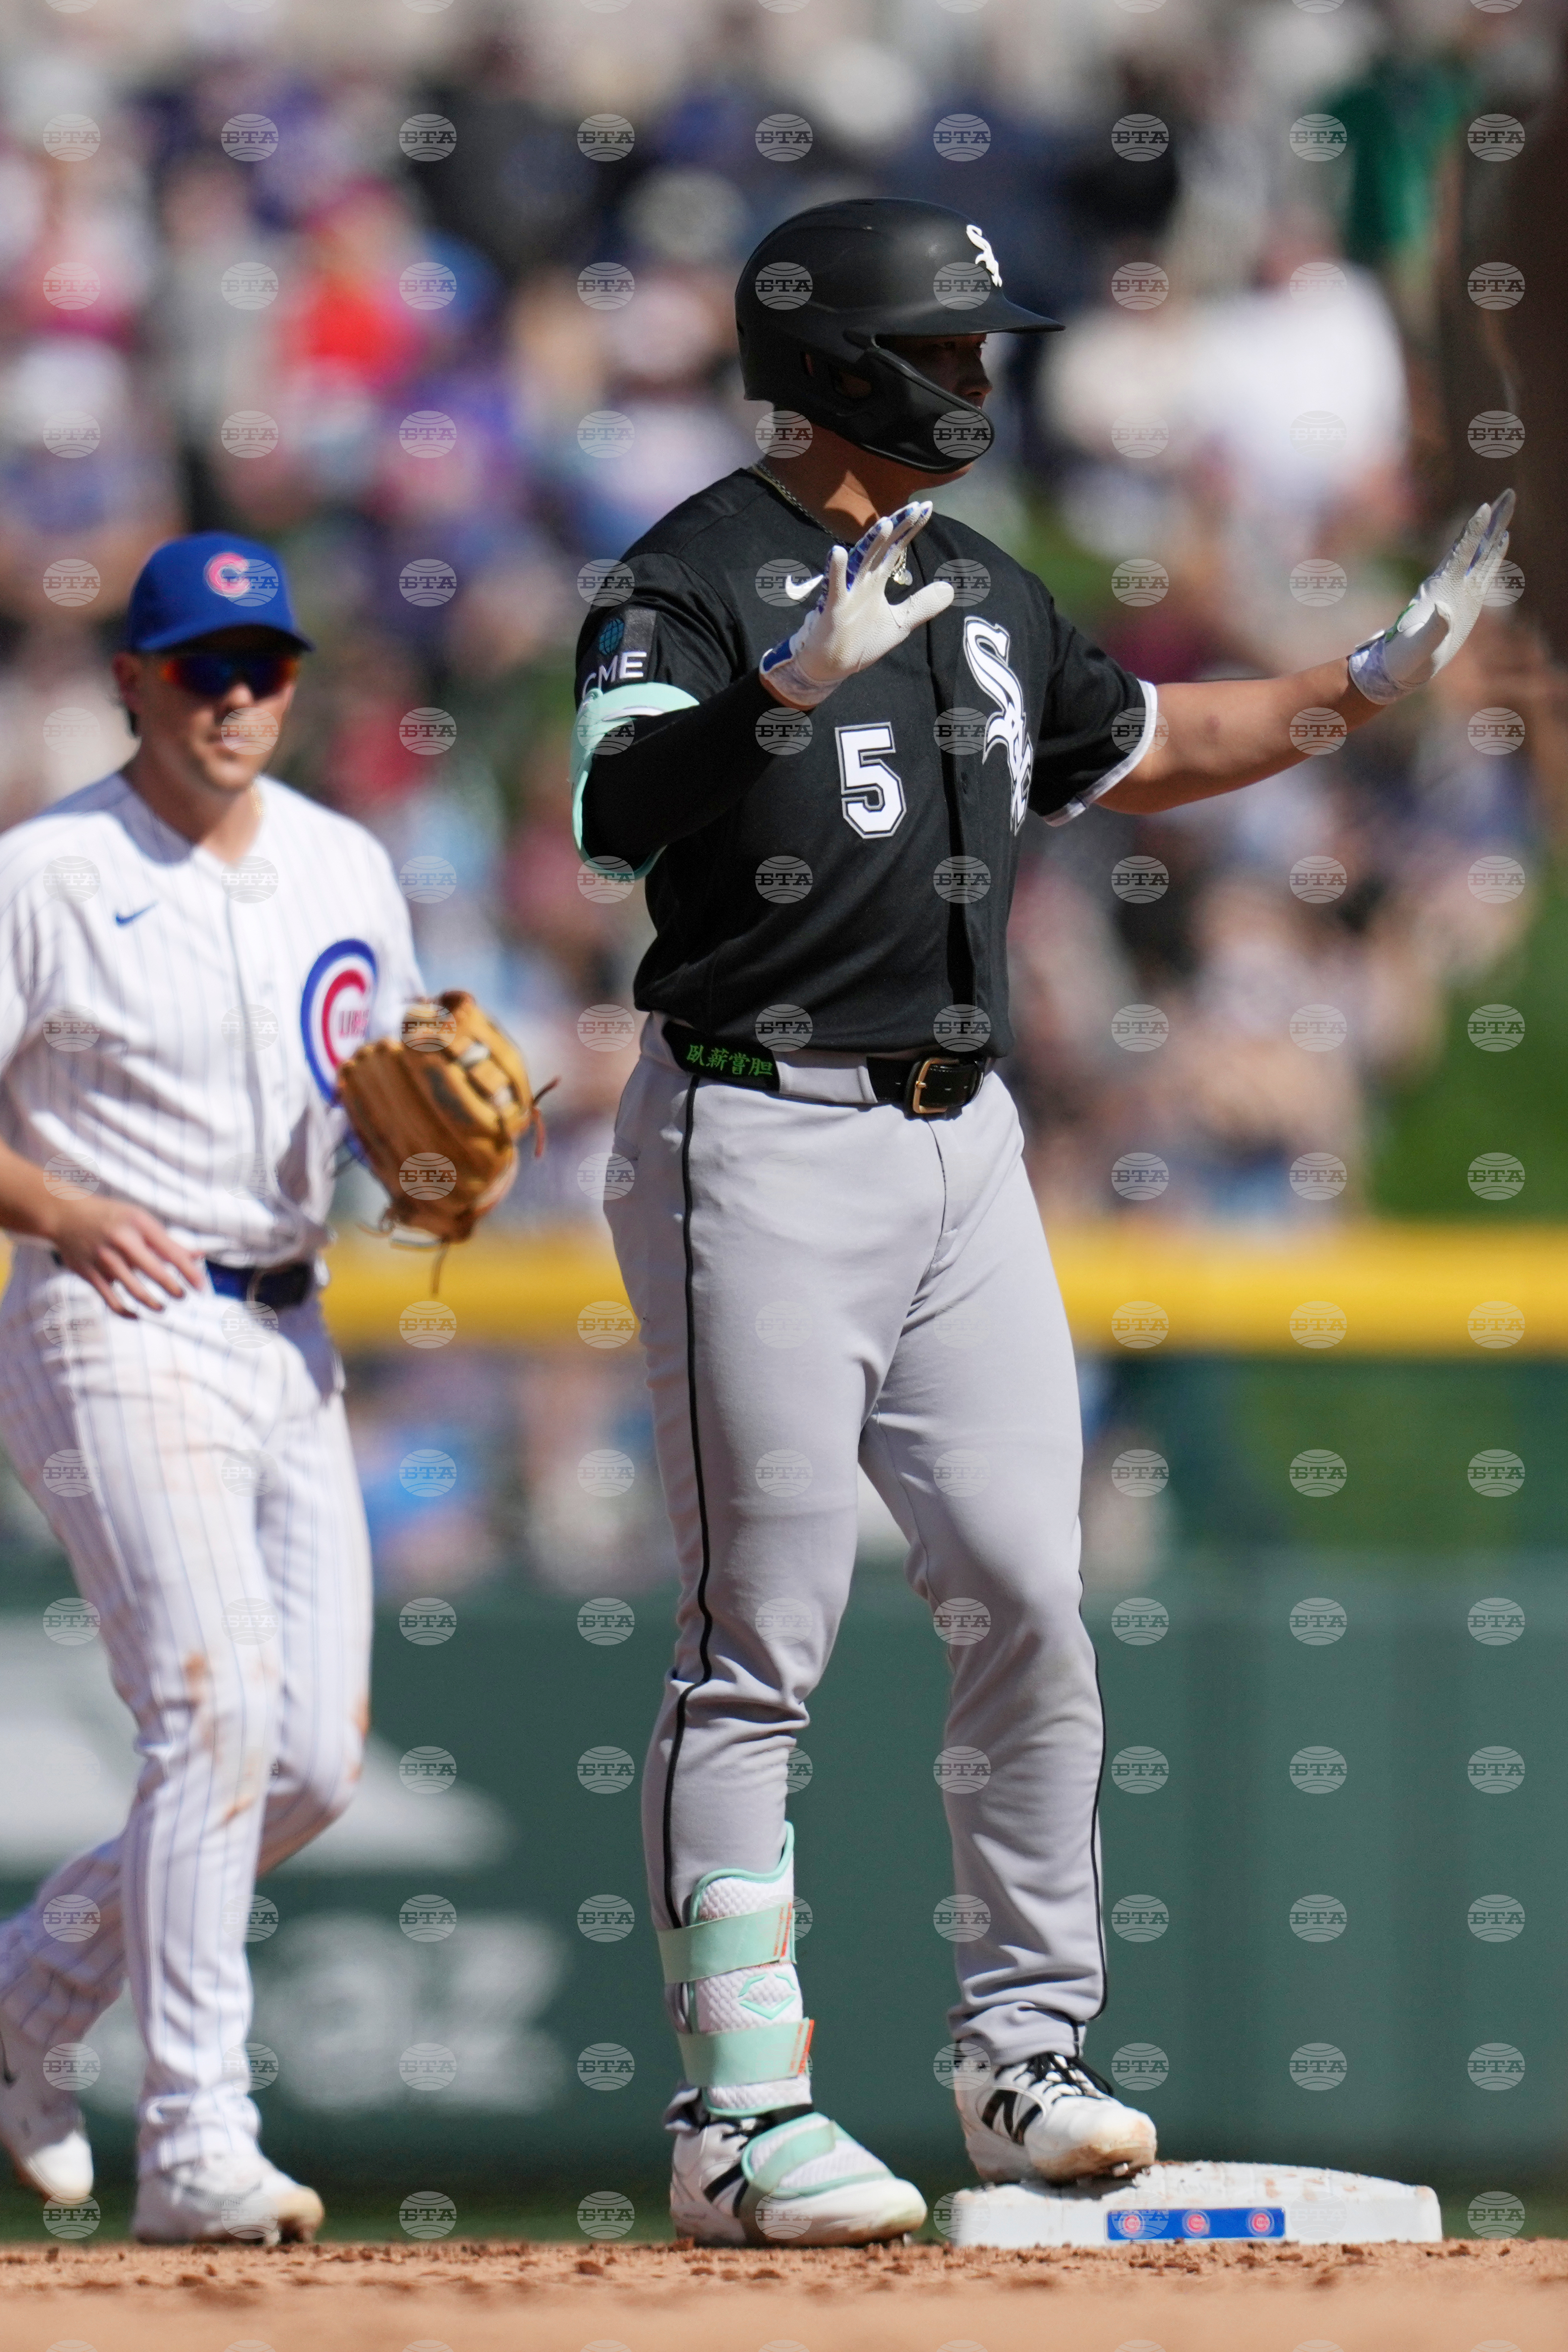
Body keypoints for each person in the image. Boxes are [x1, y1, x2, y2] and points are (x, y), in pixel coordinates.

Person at [571, 197, 1511, 2248]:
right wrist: (777, 701)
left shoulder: (985, 588)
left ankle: (1022, 2052)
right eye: (959, 352)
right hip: (755, 1124)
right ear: (854, 364)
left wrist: (1363, 682)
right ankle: (736, 2112)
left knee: (1025, 1588)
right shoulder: (691, 578)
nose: (986, 384)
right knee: (762, 1642)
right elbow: (611, 813)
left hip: (959, 1137)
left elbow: (1147, 741)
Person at [0, 534, 423, 2243]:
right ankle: (197, 2137)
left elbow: (389, 1112)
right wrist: (61, 1203)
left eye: (264, 667)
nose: (236, 696)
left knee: (311, 1760)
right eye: (200, 667)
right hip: (110, 1312)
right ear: (133, 681)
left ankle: (30, 1995)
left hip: (287, 1325)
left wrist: (438, 1173)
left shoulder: (346, 865)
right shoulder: (44, 870)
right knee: (215, 1712)